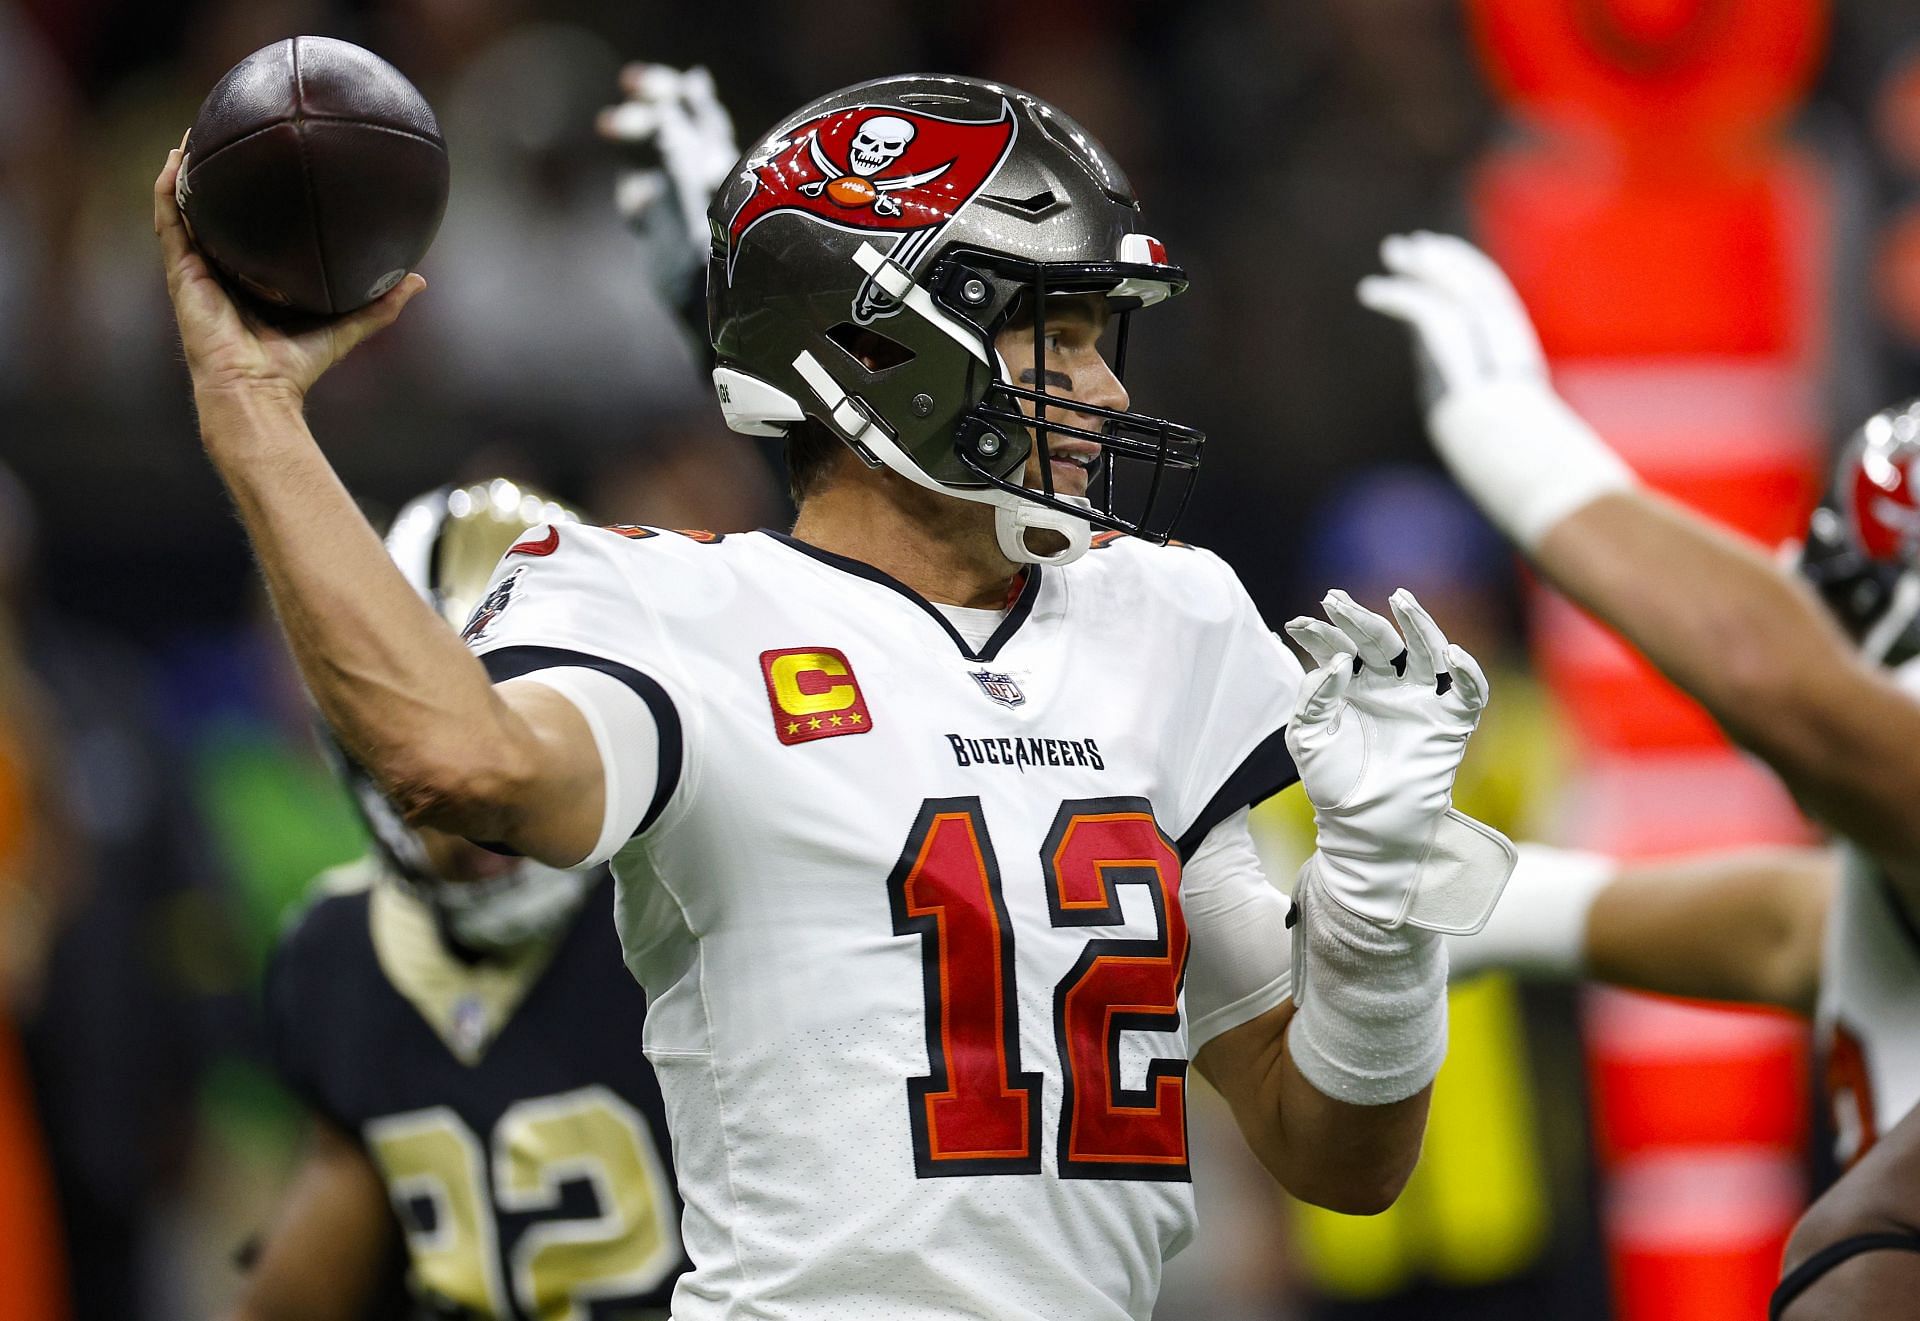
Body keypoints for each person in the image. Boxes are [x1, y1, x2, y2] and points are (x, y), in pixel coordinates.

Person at [157, 76, 1517, 1320]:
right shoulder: (677, 611)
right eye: (1055, 335)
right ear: (876, 350)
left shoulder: (1170, 621)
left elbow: (1335, 1153)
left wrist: (1378, 919)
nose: (1104, 384)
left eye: (1104, 337)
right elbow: (461, 762)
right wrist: (252, 406)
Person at [1360, 231, 1920, 1321]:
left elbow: (1778, 682)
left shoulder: (1845, 732)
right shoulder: (1863, 901)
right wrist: (1410, 889)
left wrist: (1525, 450)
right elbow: (1761, 922)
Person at [228, 480, 687, 1321]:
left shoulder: (697, 913)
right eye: (440, 749)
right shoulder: (340, 949)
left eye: (512, 740)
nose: (480, 810)